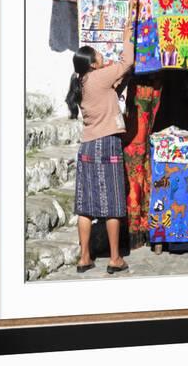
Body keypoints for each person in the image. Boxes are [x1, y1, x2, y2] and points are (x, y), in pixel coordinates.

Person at [65, 26, 134, 274]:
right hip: (107, 144)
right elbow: (128, 61)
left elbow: (111, 91)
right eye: (97, 54)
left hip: (87, 145)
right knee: (112, 202)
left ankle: (85, 257)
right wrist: (127, 39)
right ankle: (115, 258)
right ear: (92, 63)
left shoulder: (82, 82)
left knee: (85, 205)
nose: (101, 56)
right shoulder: (99, 77)